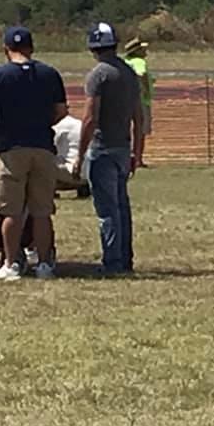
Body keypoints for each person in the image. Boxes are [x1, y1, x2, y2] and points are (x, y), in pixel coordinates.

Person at [0, 26, 68, 281]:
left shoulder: (0, 75)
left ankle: (11, 263)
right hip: (43, 147)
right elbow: (61, 111)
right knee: (41, 211)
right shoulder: (50, 74)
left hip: (11, 149)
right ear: (32, 48)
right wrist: (41, 123)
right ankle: (45, 264)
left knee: (11, 211)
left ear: (7, 49)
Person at [72, 23, 143, 276]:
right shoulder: (128, 72)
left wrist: (79, 155)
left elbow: (90, 118)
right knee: (122, 207)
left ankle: (112, 263)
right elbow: (139, 117)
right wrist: (138, 152)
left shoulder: (98, 75)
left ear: (93, 46)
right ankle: (125, 260)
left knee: (107, 211)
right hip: (123, 149)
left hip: (101, 149)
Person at [123, 37, 154, 168]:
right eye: (142, 49)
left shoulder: (125, 62)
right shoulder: (139, 61)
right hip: (140, 100)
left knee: (125, 129)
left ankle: (126, 157)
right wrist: (145, 88)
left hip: (124, 99)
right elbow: (141, 74)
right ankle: (137, 159)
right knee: (140, 130)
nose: (145, 51)